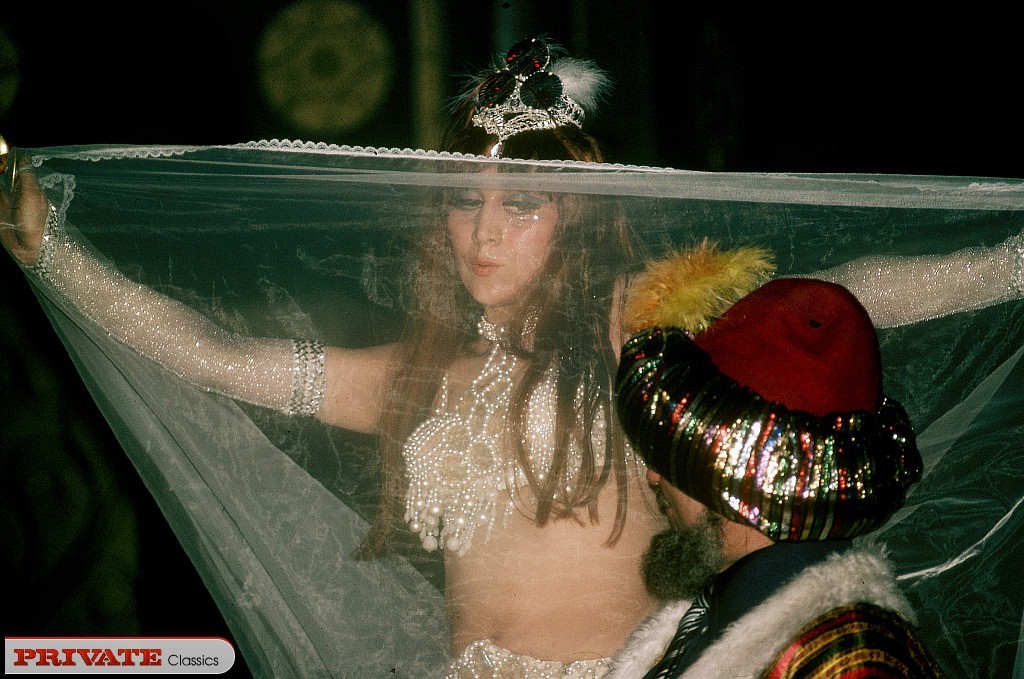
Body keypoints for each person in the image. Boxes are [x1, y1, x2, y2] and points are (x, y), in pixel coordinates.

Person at [1, 36, 1022, 678]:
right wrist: (52, 252)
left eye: (521, 204)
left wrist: (1015, 259)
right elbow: (221, 358)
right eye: (463, 199)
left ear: (575, 214)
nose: (483, 233)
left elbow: (849, 293)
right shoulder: (418, 376)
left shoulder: (636, 334)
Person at [609, 277, 947, 677]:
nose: (653, 477)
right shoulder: (722, 609)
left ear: (742, 477)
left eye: (671, 459)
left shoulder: (850, 663)